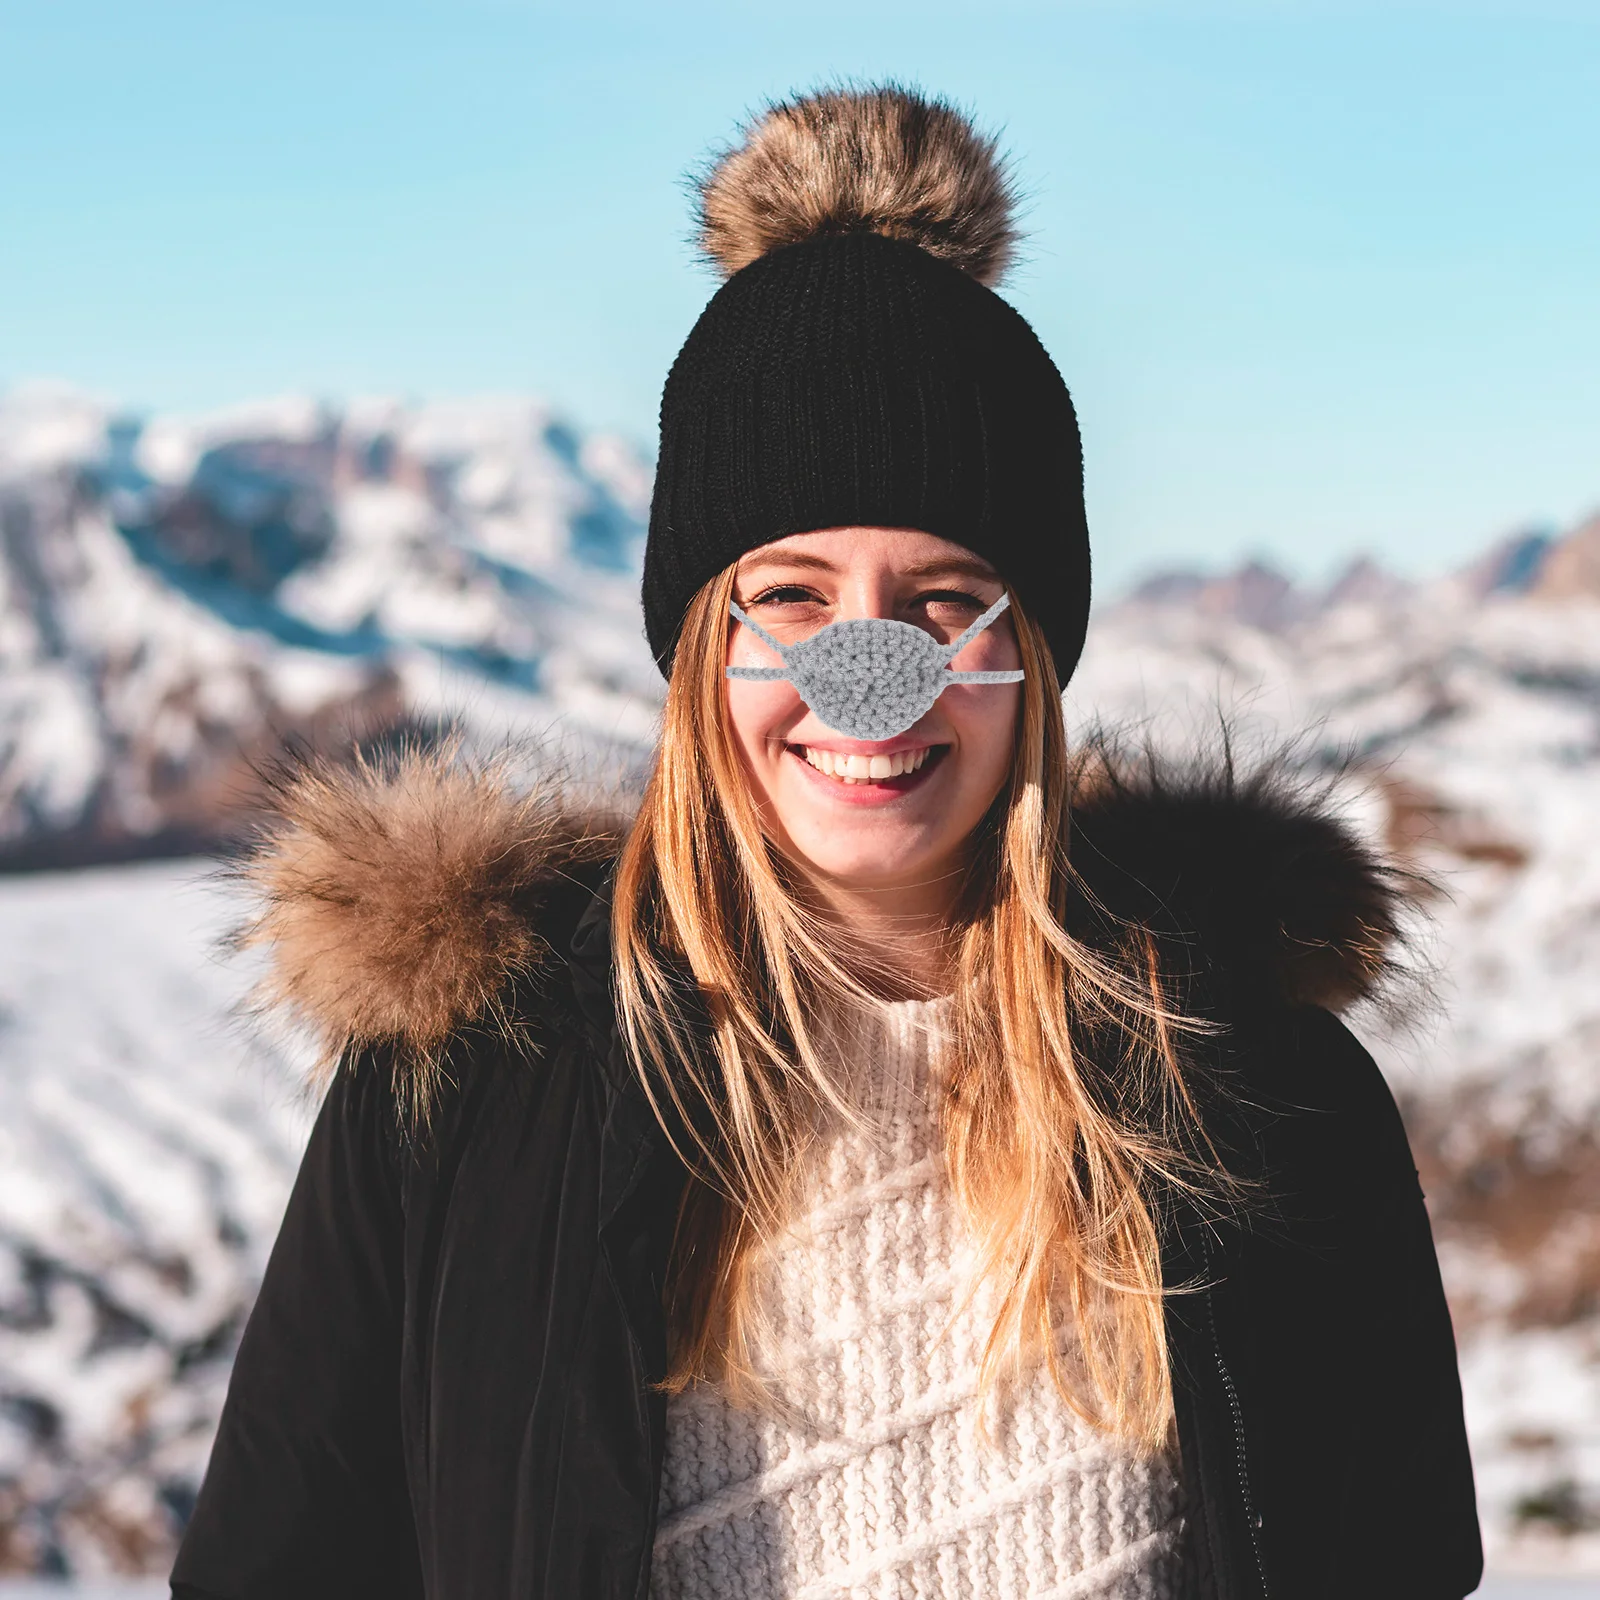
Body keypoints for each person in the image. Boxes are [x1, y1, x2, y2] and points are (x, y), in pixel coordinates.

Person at [170, 86, 1482, 1600]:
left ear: (1034, 662)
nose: (871, 672)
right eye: (790, 595)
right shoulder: (464, 1096)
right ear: (697, 650)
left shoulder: (1265, 1096)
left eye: (945, 601)